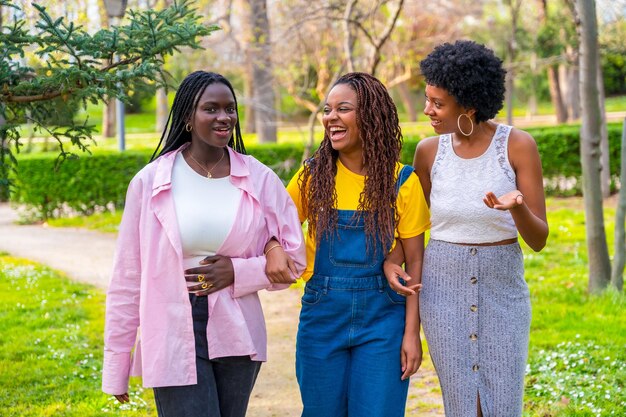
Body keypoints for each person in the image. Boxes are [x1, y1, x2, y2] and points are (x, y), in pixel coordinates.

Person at [101, 70, 306, 417]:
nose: (223, 117)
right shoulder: (150, 182)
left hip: (237, 327)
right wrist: (117, 364)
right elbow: (126, 278)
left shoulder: (259, 178)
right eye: (211, 109)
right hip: (171, 327)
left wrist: (238, 272)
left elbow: (294, 261)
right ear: (187, 116)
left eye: (230, 109)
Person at [385, 40, 549, 417]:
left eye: (437, 103)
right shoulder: (429, 152)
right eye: (427, 99)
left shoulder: (518, 146)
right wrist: (394, 260)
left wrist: (518, 208)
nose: (427, 110)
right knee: (460, 402)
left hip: (502, 290)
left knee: (503, 403)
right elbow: (415, 225)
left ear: (469, 106)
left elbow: (539, 239)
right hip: (443, 290)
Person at [285, 72, 430, 417]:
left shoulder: (402, 183)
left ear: (370, 117)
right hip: (322, 316)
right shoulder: (312, 177)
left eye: (343, 109)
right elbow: (273, 230)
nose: (330, 117)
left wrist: (412, 334)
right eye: (327, 109)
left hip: (383, 321)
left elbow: (416, 264)